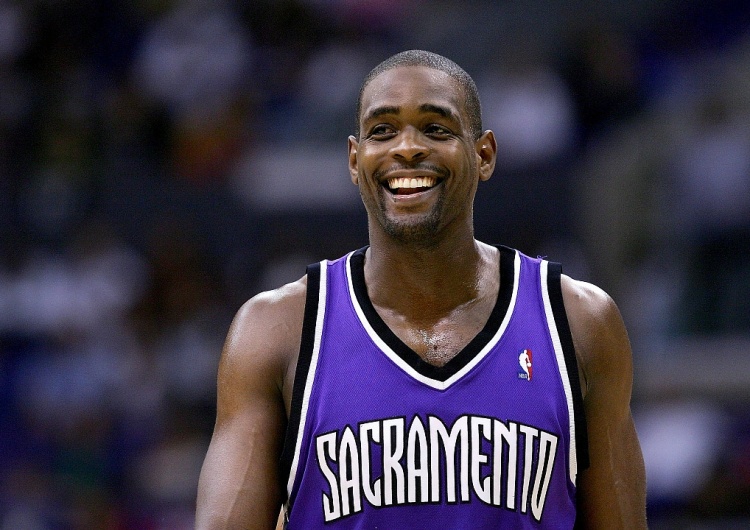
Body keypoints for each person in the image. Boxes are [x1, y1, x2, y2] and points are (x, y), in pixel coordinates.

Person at [195, 50, 647, 529]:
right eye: (382, 131)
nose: (407, 148)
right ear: (355, 160)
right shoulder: (276, 330)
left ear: (484, 154)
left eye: (435, 129)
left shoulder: (578, 322)